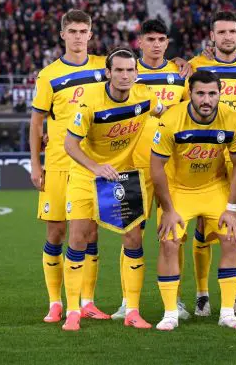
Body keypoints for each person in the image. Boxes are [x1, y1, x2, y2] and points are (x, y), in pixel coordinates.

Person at [62, 48, 167, 331]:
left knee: (134, 239)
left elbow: (165, 111)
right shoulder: (89, 103)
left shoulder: (145, 96)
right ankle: (73, 310)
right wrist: (95, 167)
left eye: (129, 70)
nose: (124, 75)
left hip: (123, 177)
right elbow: (70, 145)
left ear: (136, 72)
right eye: (118, 70)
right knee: (78, 239)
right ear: (108, 73)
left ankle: (132, 310)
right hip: (87, 176)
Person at [151, 70, 236, 330]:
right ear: (190, 94)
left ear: (220, 93)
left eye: (212, 93)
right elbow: (156, 168)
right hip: (178, 189)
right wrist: (168, 209)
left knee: (231, 237)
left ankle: (227, 312)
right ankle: (171, 312)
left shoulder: (232, 119)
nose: (207, 100)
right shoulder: (171, 119)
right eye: (200, 93)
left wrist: (231, 207)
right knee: (170, 242)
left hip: (214, 187)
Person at [29, 9, 108, 323]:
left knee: (90, 234)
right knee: (57, 232)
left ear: (90, 34)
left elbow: (140, 71)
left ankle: (87, 301)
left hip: (93, 165)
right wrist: (35, 164)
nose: (78, 36)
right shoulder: (49, 75)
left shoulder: (104, 66)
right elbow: (36, 123)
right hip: (59, 164)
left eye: (83, 31)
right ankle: (55, 302)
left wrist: (189, 62)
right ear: (63, 34)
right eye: (72, 31)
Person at [110, 19, 192, 321]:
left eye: (161, 39)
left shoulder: (181, 74)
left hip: (173, 167)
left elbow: (191, 112)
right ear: (139, 43)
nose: (156, 44)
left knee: (174, 235)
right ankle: (127, 302)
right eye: (150, 39)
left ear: (167, 42)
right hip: (133, 167)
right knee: (131, 233)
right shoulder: (128, 73)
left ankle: (177, 300)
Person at [188, 11, 236, 317]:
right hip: (204, 154)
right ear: (212, 36)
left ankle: (233, 297)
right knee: (202, 224)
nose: (227, 37)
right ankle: (202, 295)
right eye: (221, 32)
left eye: (232, 31)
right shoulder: (197, 66)